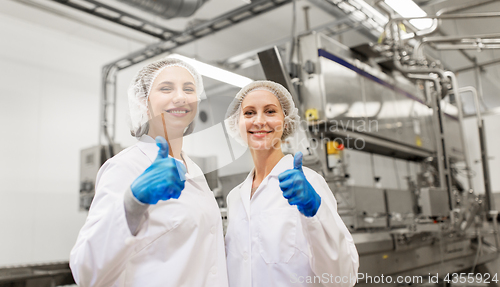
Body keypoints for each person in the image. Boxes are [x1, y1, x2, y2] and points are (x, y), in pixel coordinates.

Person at [70, 57, 228, 287]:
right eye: (166, 88)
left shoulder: (195, 173)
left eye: (189, 89)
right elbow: (86, 271)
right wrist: (133, 202)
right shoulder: (125, 168)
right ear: (144, 102)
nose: (180, 96)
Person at [224, 80, 359, 287]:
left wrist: (315, 212)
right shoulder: (235, 197)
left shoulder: (309, 182)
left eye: (270, 111)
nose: (259, 121)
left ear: (286, 122)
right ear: (237, 123)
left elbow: (343, 277)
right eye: (249, 113)